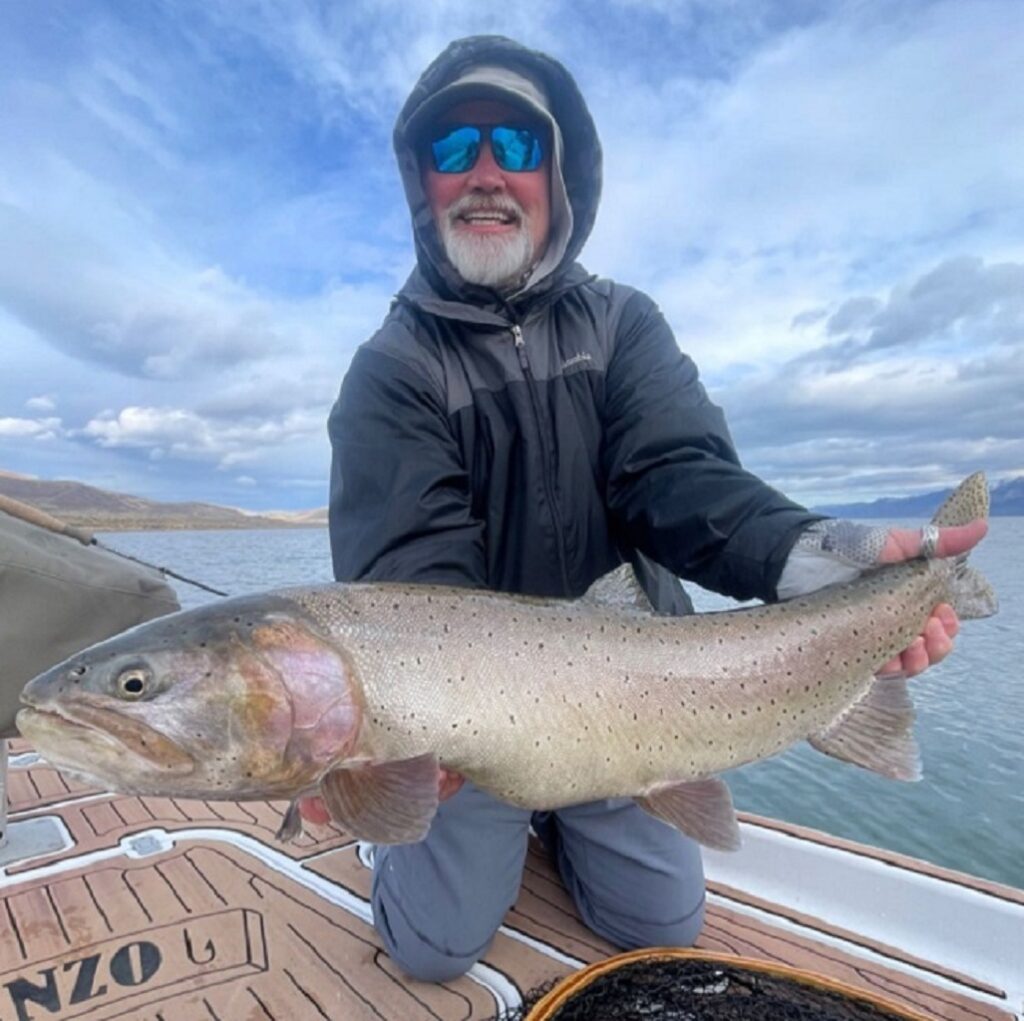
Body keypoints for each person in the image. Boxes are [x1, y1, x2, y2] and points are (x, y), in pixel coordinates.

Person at [303, 35, 985, 982]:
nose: (487, 173)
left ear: (559, 170)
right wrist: (405, 751)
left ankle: (559, 812)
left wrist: (811, 554)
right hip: (471, 724)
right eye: (455, 150)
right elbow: (411, 579)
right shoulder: (391, 371)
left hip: (640, 698)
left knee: (658, 925)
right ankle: (428, 838)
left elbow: (678, 478)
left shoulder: (625, 323)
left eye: (516, 146)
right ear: (424, 181)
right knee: (432, 950)